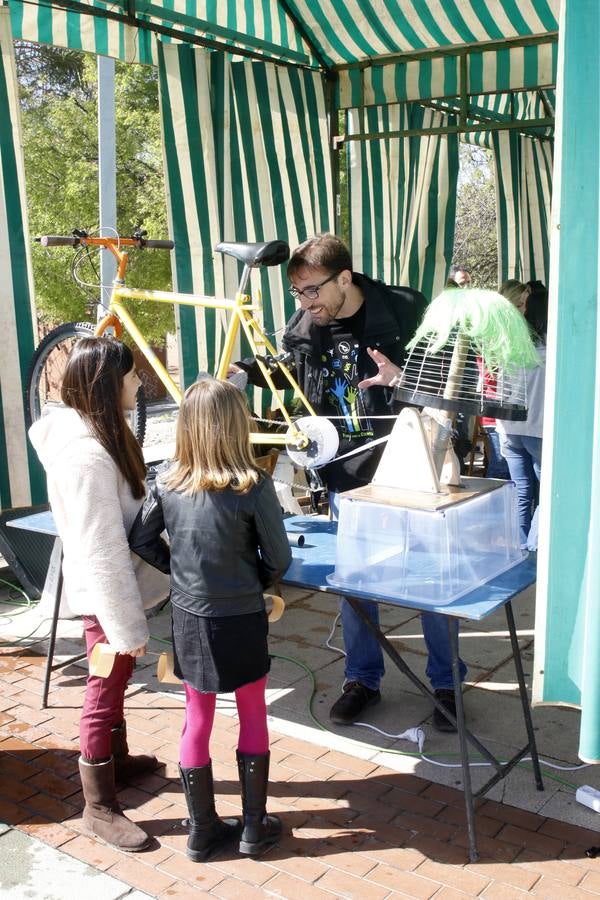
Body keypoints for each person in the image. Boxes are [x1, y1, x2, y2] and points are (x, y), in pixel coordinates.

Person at [232, 233, 466, 732]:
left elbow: (451, 379)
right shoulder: (305, 321)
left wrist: (403, 379)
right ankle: (362, 679)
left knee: (431, 580)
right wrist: (250, 371)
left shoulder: (404, 309)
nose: (306, 302)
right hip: (347, 479)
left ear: (345, 277)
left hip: (410, 471)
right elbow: (290, 372)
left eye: (313, 290)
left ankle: (447, 683)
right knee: (356, 585)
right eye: (297, 293)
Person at [129, 379, 292, 861]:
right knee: (252, 711)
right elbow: (279, 558)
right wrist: (253, 579)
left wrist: (179, 573)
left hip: (190, 615)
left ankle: (201, 830)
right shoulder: (252, 485)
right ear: (236, 425)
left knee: (196, 718)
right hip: (240, 614)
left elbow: (140, 539)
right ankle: (253, 828)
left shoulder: (165, 481)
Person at [28, 338, 170, 853]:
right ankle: (98, 806)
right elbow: (102, 549)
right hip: (105, 597)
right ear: (107, 387)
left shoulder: (100, 436)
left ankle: (120, 759)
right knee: (103, 689)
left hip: (115, 593)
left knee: (116, 680)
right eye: (131, 376)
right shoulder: (86, 455)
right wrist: (125, 627)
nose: (139, 384)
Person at [496, 284, 548, 549]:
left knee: (521, 489)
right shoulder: (549, 349)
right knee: (544, 490)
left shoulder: (503, 342)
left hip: (508, 427)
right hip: (538, 428)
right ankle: (535, 547)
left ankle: (520, 545)